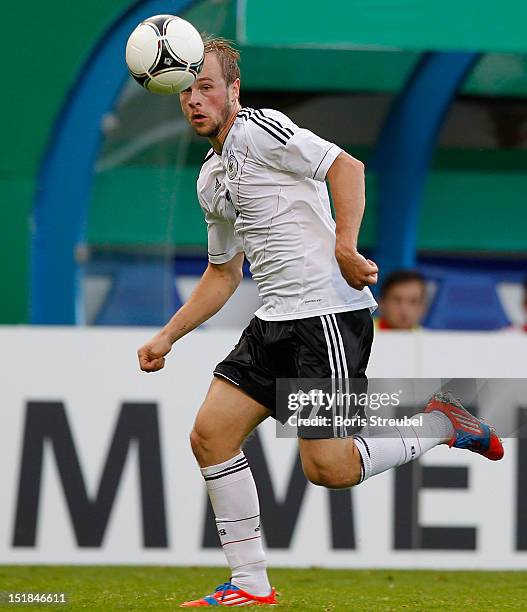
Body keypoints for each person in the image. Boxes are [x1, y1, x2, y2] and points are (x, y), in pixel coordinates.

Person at [137, 38, 504, 607]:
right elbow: (223, 274)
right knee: (210, 436)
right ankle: (249, 585)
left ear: (233, 90)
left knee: (328, 469)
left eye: (207, 85)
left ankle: (442, 422)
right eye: (186, 89)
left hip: (326, 317)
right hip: (273, 321)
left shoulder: (262, 129)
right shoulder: (212, 177)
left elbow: (345, 166)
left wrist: (346, 246)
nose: (195, 99)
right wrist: (167, 335)